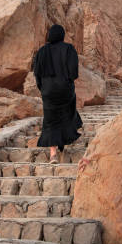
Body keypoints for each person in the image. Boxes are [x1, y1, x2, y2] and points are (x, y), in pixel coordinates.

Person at [33, 24, 83, 164]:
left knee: (50, 119)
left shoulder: (42, 51)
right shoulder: (68, 49)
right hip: (65, 89)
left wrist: (43, 88)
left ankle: (53, 154)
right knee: (67, 112)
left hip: (48, 91)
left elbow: (37, 74)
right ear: (62, 35)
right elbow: (74, 72)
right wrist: (67, 81)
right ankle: (63, 142)